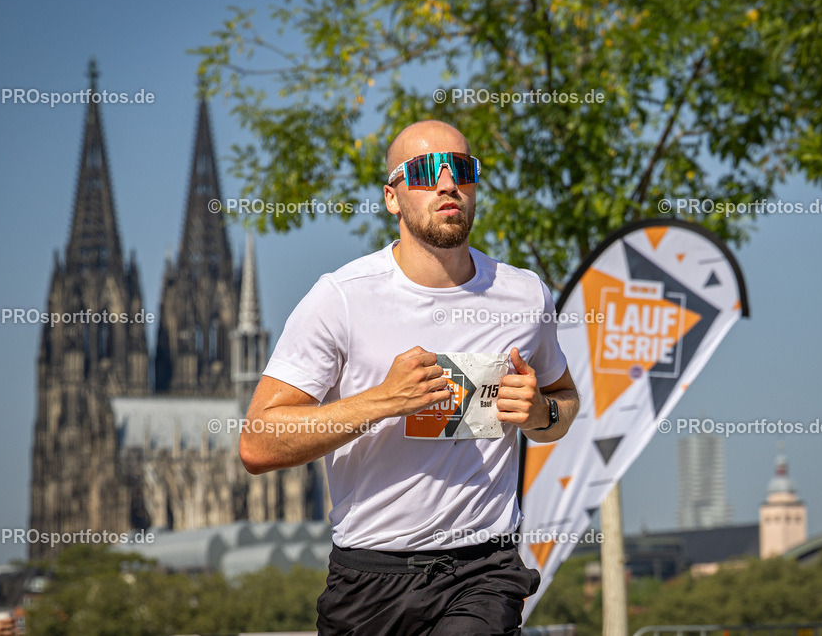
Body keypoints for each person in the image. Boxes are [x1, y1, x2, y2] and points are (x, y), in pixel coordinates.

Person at [239, 119, 579, 635]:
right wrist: (383, 401)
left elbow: (563, 401)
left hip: (483, 571)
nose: (447, 183)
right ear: (392, 197)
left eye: (461, 169)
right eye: (425, 171)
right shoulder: (342, 299)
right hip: (369, 579)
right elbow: (258, 444)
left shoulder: (526, 295)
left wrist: (541, 414)